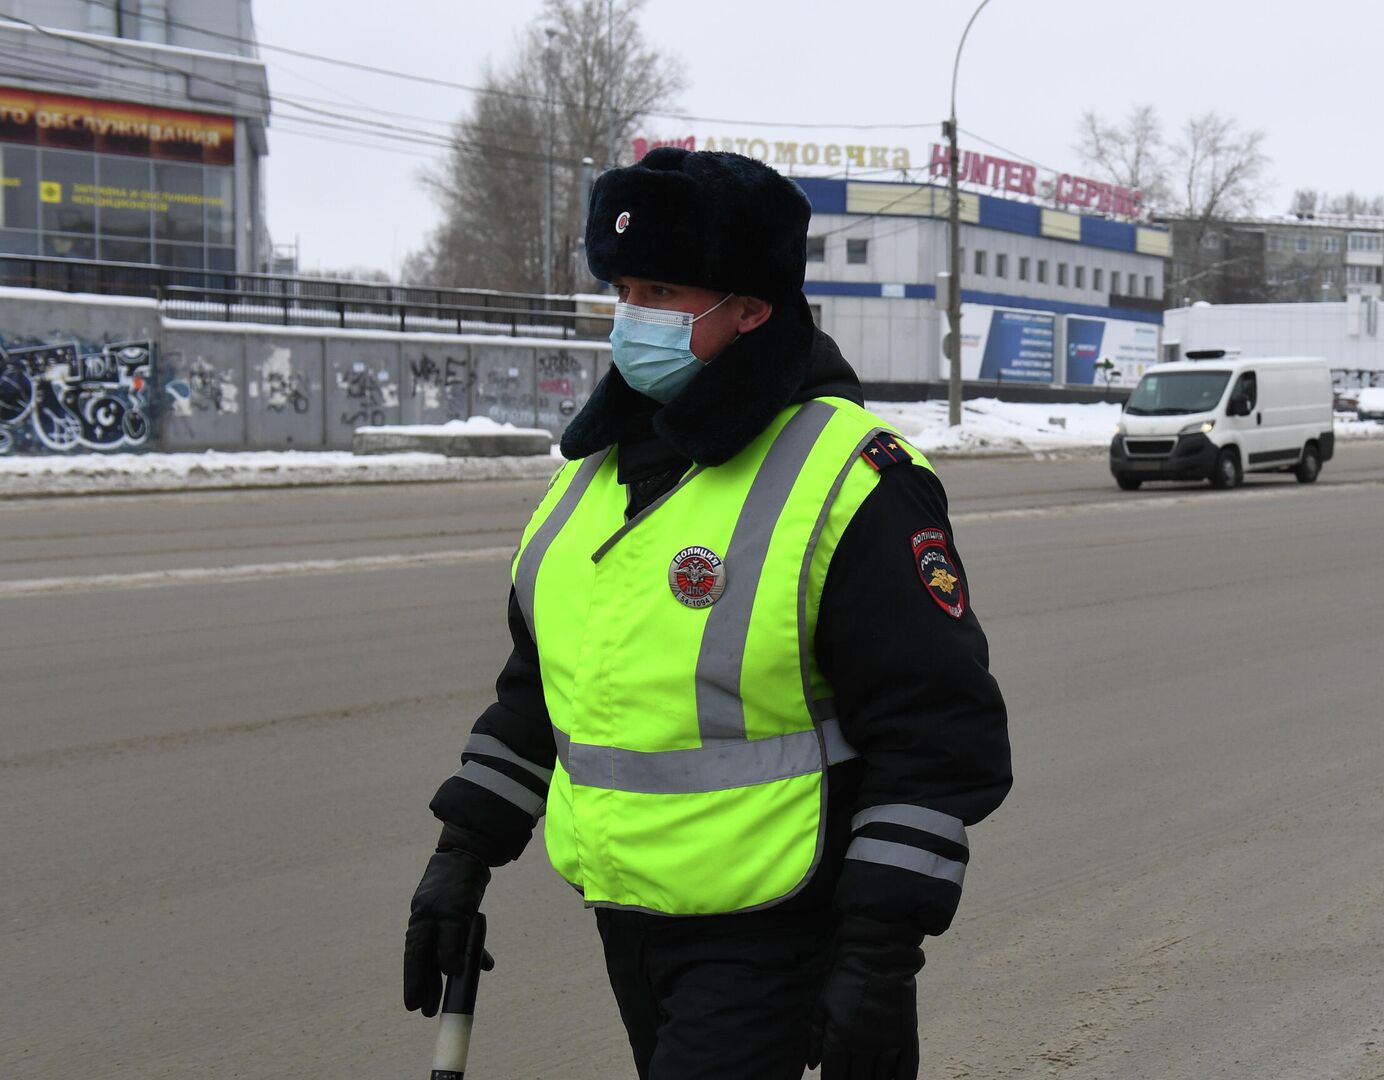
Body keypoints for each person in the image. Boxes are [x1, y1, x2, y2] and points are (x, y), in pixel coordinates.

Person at [402, 148, 1013, 1079]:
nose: (633, 316)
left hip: (778, 924)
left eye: (664, 290)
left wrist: (879, 960)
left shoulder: (851, 477)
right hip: (628, 914)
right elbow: (544, 694)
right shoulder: (589, 479)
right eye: (624, 288)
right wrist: (462, 856)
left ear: (752, 310)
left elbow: (937, 737)